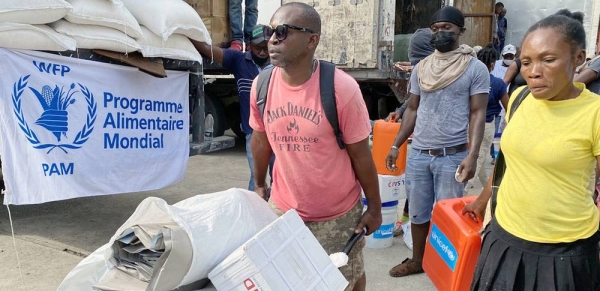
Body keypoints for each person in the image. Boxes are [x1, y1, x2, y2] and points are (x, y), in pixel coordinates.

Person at [249, 3, 382, 291]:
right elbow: (260, 141)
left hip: (337, 216)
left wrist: (374, 206)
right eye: (270, 31)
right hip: (283, 211)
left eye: (283, 31)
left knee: (346, 278)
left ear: (312, 40)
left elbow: (361, 155)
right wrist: (260, 185)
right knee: (287, 280)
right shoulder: (262, 85)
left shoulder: (341, 89)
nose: (272, 39)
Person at [464, 10, 600, 291]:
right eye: (525, 62)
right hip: (504, 237)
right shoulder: (520, 98)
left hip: (564, 251)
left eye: (548, 60)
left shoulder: (594, 113)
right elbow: (506, 161)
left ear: (578, 58)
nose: (533, 71)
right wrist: (481, 200)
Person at [385, 6, 490, 277]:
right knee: (418, 213)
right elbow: (412, 110)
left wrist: (472, 154)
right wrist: (397, 144)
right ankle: (418, 260)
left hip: (452, 155)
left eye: (447, 28)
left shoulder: (474, 68)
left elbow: (478, 113)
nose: (440, 33)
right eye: (435, 28)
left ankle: (447, 268)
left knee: (449, 217)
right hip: (420, 153)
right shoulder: (422, 68)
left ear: (460, 31)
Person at [192, 25, 274, 191]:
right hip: (254, 134)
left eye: (267, 48)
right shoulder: (239, 60)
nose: (264, 52)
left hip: (278, 132)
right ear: (250, 45)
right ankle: (254, 210)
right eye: (259, 48)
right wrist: (189, 34)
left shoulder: (280, 65)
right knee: (256, 177)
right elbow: (208, 50)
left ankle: (277, 209)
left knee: (279, 176)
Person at [465, 44, 508, 190]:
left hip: (468, 124)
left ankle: (488, 191)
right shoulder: (497, 83)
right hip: (486, 125)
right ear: (492, 64)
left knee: (478, 158)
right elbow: (508, 107)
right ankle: (462, 190)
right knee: (477, 159)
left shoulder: (469, 80)